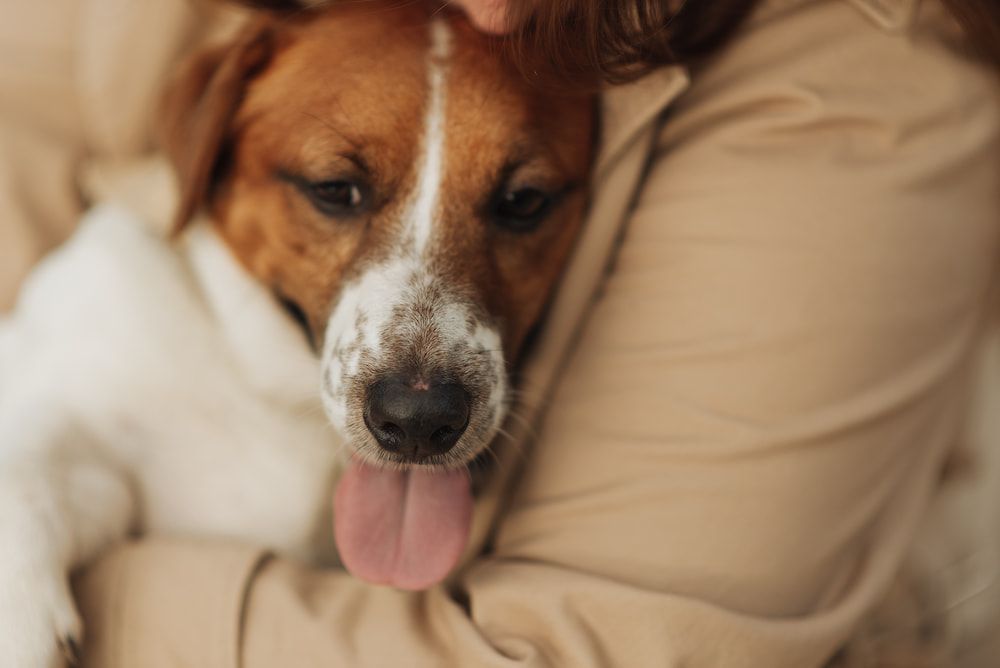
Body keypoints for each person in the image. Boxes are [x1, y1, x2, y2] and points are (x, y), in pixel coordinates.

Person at [1, 0, 997, 665]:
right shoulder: (127, 299)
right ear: (208, 163)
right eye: (337, 192)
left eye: (519, 205)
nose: (417, 386)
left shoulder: (862, 76)